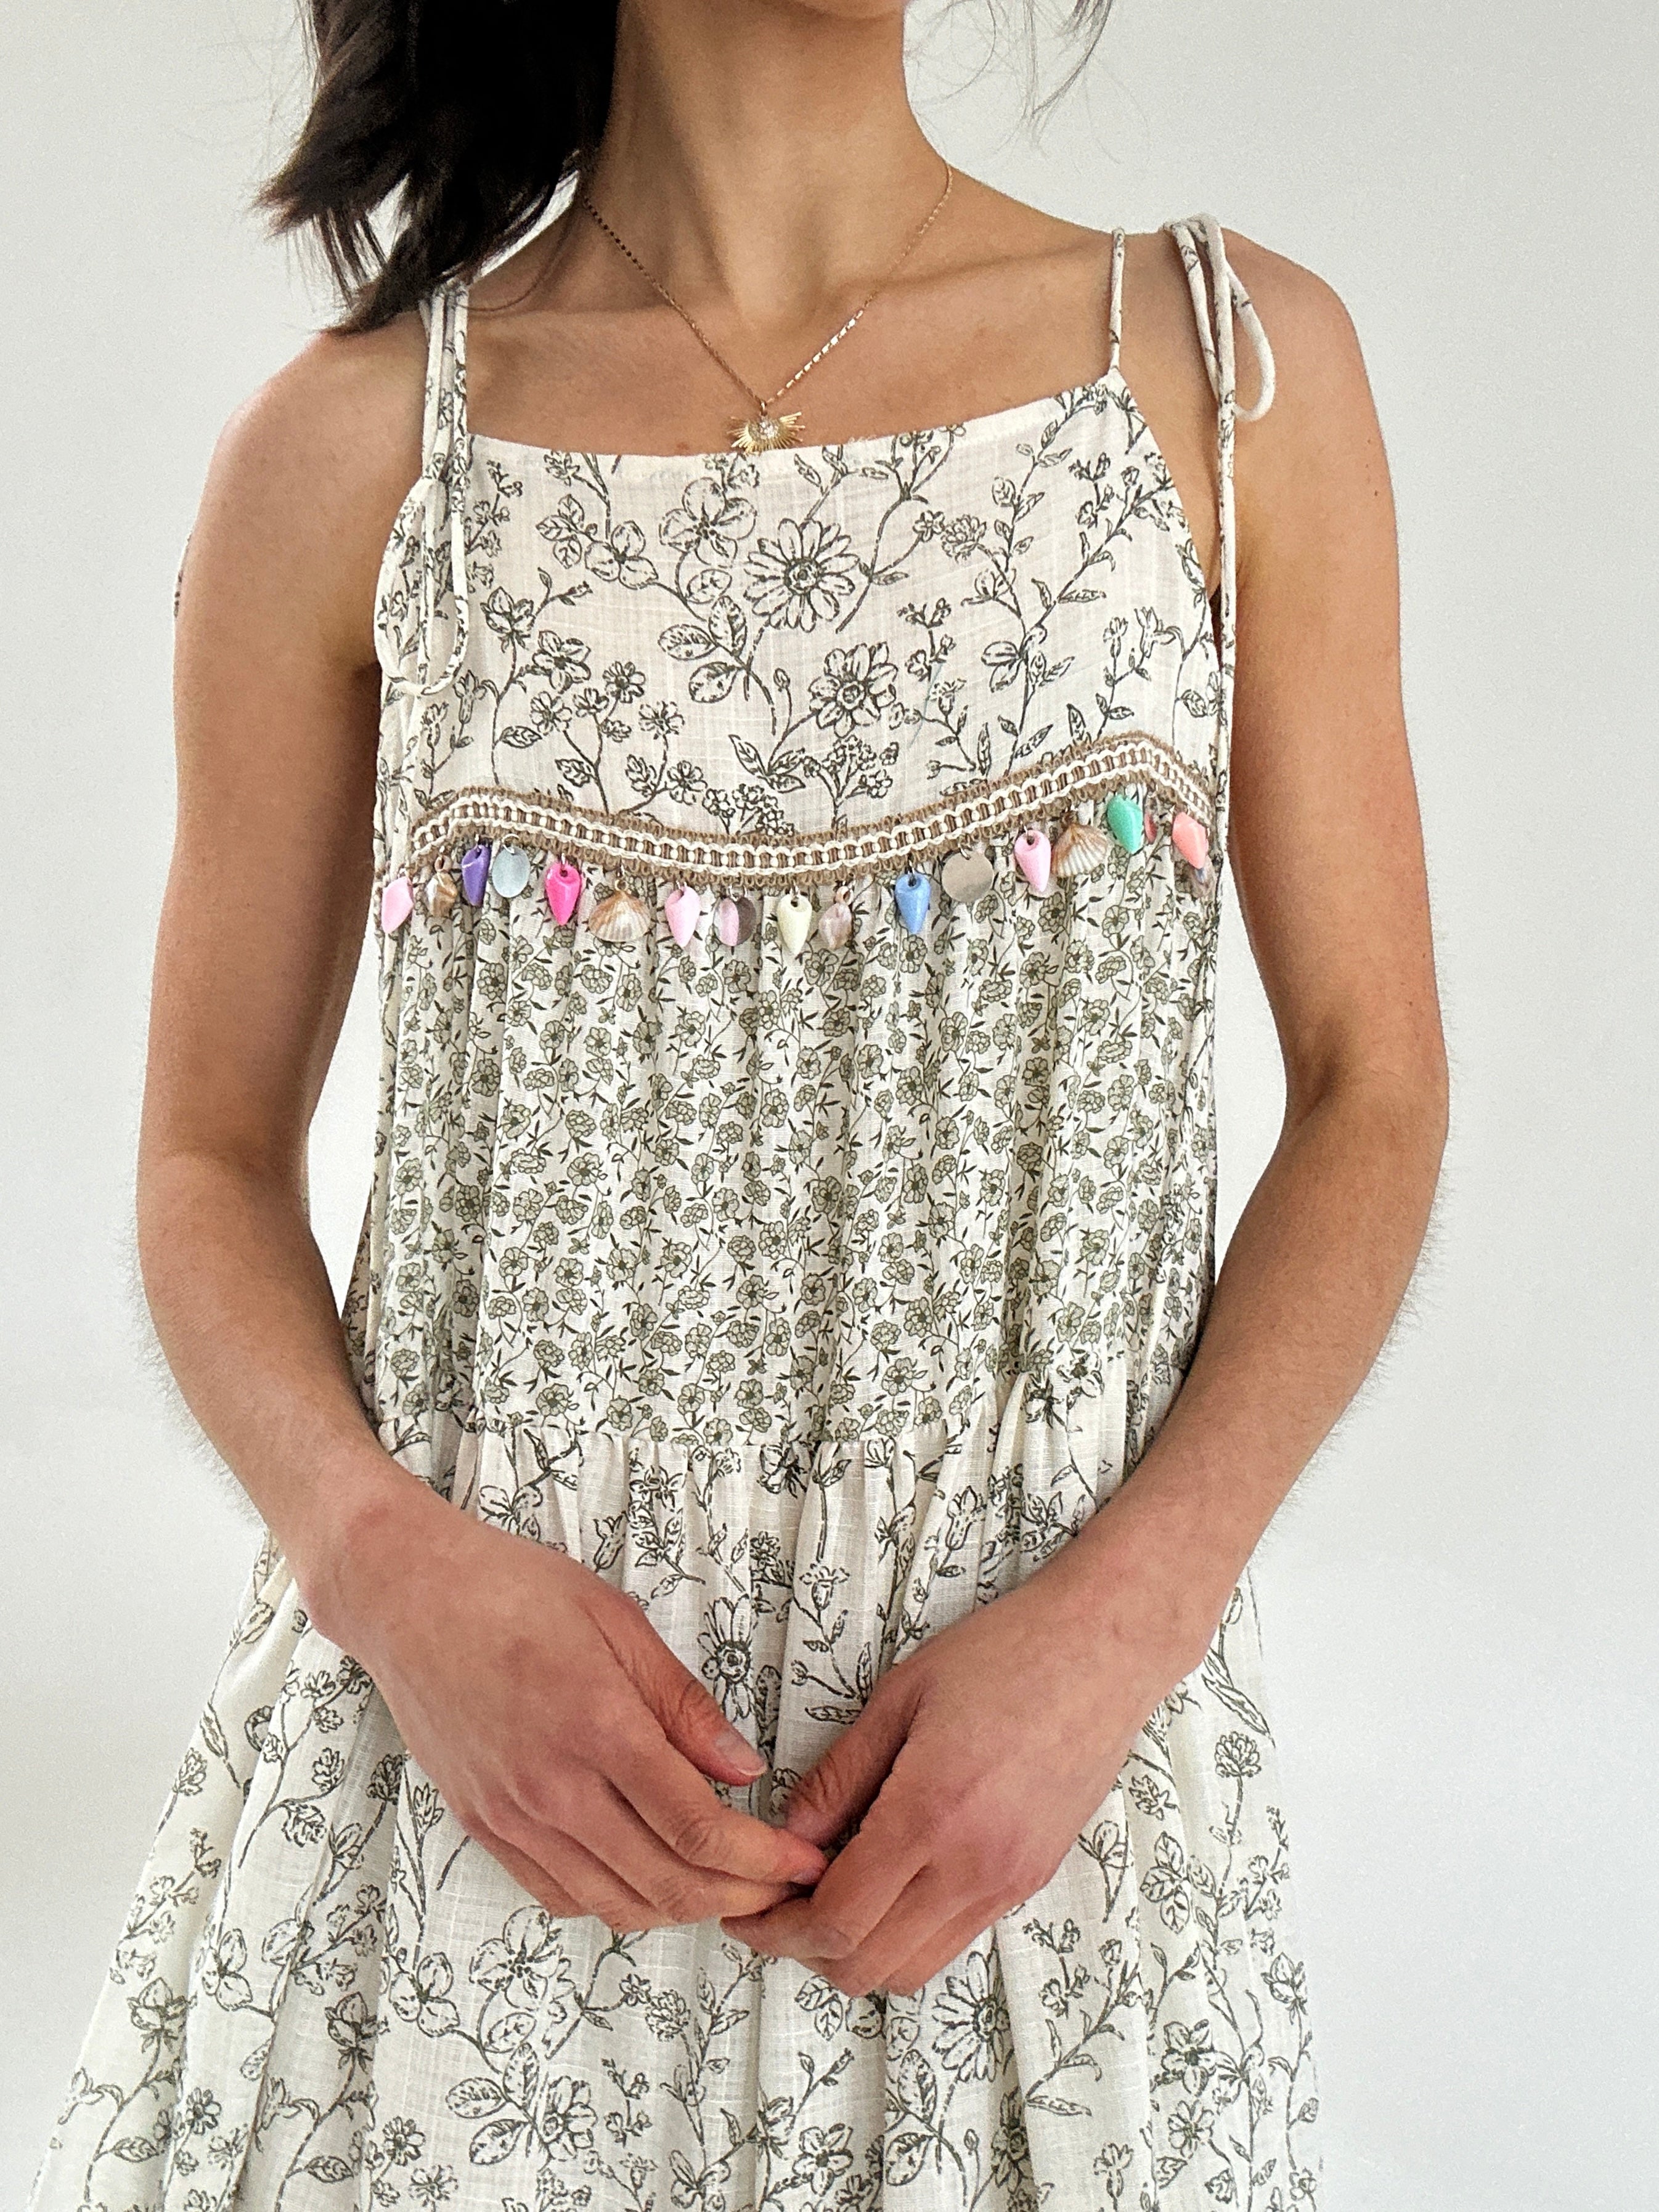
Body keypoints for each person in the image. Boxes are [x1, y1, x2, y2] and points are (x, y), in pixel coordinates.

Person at [29, 1, 1447, 2206]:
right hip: (463, 1805)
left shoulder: (1223, 367)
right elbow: (205, 1157)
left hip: (1021, 1823)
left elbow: (1372, 1089)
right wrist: (384, 1568)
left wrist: (1126, 1621)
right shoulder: (359, 449)